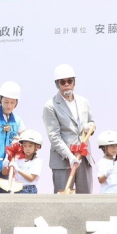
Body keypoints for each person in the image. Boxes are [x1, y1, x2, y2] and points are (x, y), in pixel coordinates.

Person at [42, 64, 96, 194]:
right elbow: (54, 136)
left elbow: (91, 122)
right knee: (63, 200)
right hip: (63, 160)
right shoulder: (50, 106)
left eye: (69, 81)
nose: (66, 84)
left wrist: (90, 127)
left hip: (83, 156)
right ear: (57, 84)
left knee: (86, 198)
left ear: (74, 82)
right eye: (62, 82)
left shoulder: (83, 102)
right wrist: (70, 156)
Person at [3, 129, 43, 194]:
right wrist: (5, 165)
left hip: (29, 190)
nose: (27, 148)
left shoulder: (37, 161)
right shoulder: (18, 160)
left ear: (37, 147)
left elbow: (31, 178)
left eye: (30, 146)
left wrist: (18, 169)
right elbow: (5, 173)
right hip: (17, 189)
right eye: (25, 145)